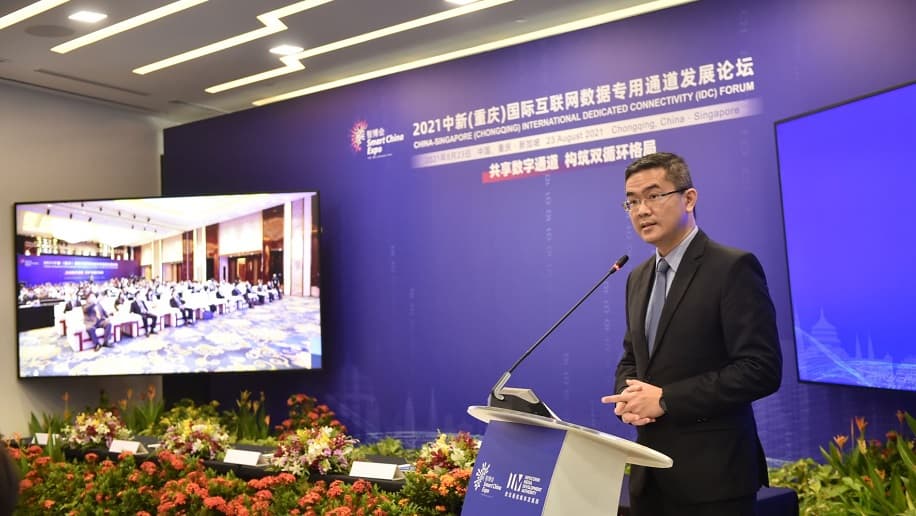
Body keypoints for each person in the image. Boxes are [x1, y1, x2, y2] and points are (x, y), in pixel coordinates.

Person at [602, 152, 782, 516]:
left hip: (714, 482)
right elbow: (632, 357)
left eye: (654, 196)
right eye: (632, 201)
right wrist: (628, 395)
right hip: (649, 476)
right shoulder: (637, 277)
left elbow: (760, 368)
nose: (642, 210)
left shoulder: (731, 268)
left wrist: (666, 399)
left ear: (689, 198)